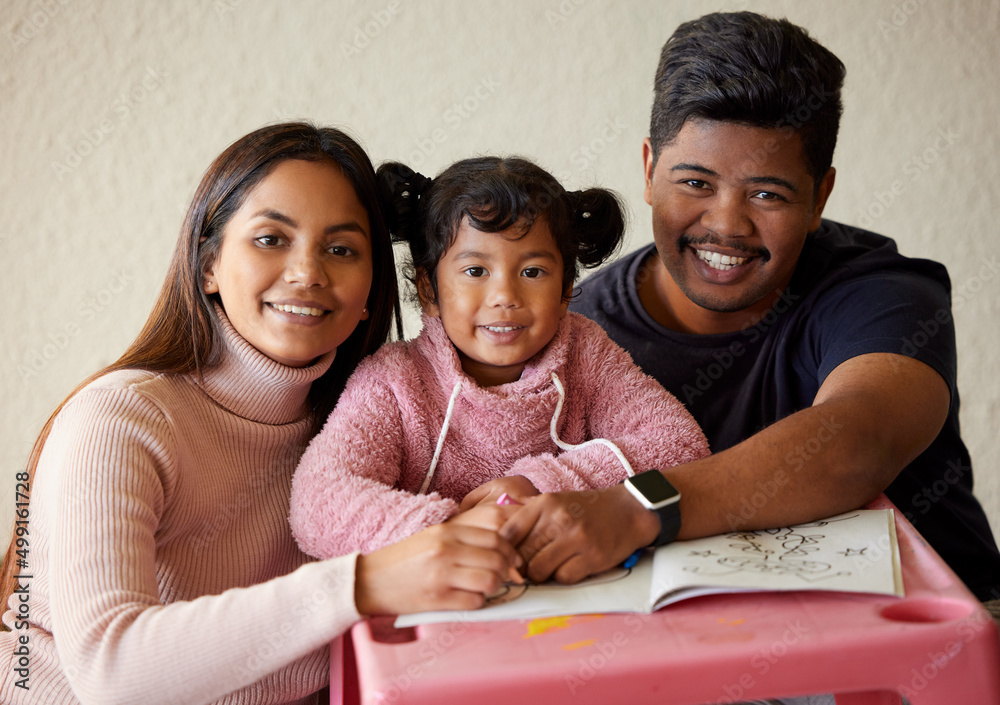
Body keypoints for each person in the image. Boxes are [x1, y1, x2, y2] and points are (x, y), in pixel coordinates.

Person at [0, 123, 520, 705]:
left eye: (342, 249)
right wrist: (366, 583)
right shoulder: (120, 419)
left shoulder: (367, 428)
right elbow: (112, 672)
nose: (308, 273)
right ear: (208, 268)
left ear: (374, 287)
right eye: (272, 239)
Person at [503, 11, 1000, 603]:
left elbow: (857, 443)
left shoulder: (884, 292)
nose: (726, 225)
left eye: (767, 193)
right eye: (695, 183)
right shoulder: (572, 327)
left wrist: (637, 509)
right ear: (648, 170)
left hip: (942, 648)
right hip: (701, 661)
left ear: (819, 197)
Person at [289, 157, 709, 560]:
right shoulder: (394, 381)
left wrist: (543, 483)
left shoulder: (585, 355)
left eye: (532, 272)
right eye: (475, 271)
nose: (505, 297)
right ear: (429, 289)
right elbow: (319, 503)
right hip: (438, 594)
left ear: (565, 291)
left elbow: (680, 445)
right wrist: (456, 534)